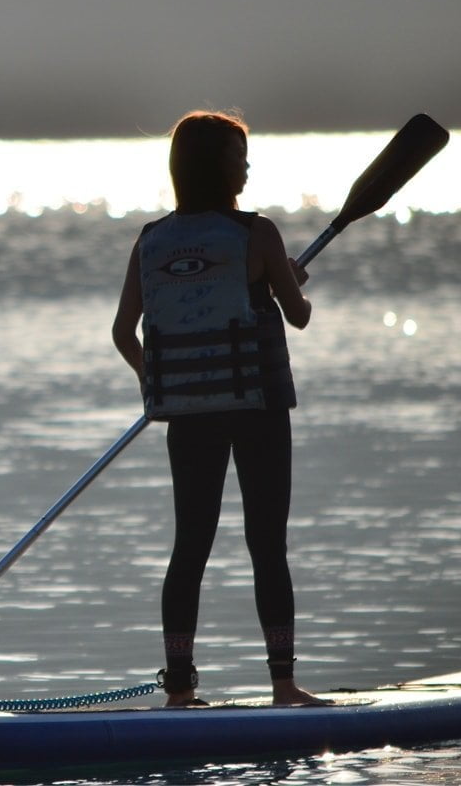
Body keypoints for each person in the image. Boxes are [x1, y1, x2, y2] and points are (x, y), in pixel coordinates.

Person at [112, 110, 327, 708]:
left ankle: (180, 691)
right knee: (267, 543)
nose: (247, 164)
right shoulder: (258, 233)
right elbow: (299, 315)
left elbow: (124, 333)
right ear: (215, 165)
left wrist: (156, 386)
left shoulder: (152, 239)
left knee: (190, 547)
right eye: (238, 154)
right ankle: (284, 685)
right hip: (256, 406)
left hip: (188, 415)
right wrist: (289, 279)